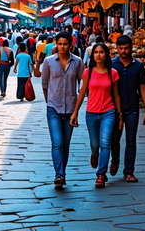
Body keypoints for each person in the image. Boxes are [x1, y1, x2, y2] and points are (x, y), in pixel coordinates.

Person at [32, 31, 84, 187]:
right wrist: (50, 101)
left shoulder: (77, 62)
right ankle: (59, 175)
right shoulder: (48, 62)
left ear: (71, 45)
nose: (62, 46)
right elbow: (45, 84)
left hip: (70, 109)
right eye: (60, 44)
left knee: (66, 144)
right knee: (57, 143)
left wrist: (77, 106)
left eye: (65, 44)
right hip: (53, 107)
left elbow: (82, 83)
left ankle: (62, 172)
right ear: (56, 44)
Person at [71, 43, 123, 188]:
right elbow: (82, 93)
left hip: (108, 112)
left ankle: (101, 174)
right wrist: (75, 113)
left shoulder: (113, 73)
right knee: (95, 144)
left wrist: (120, 115)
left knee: (105, 143)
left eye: (101, 52)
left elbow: (116, 95)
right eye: (96, 52)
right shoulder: (88, 72)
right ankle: (94, 154)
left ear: (106, 54)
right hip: (91, 113)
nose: (98, 55)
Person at [110, 35, 145, 182]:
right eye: (120, 48)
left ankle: (129, 171)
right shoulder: (112, 64)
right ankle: (115, 160)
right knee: (115, 139)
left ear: (131, 47)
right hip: (114, 109)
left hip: (132, 107)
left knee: (131, 139)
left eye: (126, 48)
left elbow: (143, 89)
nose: (123, 51)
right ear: (117, 48)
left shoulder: (138, 65)